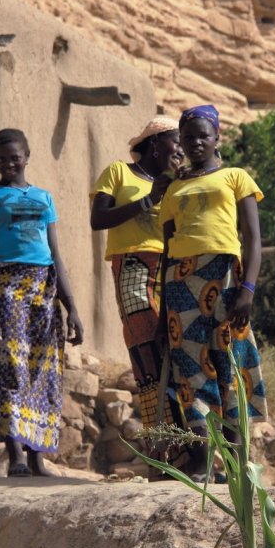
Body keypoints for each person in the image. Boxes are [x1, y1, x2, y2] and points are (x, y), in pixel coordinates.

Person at [159, 105, 268, 481]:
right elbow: (166, 246)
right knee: (190, 372)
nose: (196, 143)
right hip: (180, 282)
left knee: (230, 367)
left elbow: (253, 238)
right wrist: (163, 309)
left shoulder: (236, 176)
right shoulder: (175, 187)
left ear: (218, 136)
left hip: (224, 278)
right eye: (188, 138)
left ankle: (237, 468)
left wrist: (248, 288)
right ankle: (205, 466)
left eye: (203, 136)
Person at [0, 128, 84, 477]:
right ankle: (16, 454)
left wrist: (72, 308)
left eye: (15, 156)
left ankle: (37, 457)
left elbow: (55, 256)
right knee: (10, 367)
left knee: (42, 372)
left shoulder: (44, 198)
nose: (9, 163)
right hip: (7, 289)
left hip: (44, 292)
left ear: (27, 155)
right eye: (2, 158)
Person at [89, 116, 184, 432]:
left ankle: (188, 441)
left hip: (171, 268)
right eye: (176, 141)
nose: (180, 149)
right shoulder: (119, 172)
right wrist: (147, 200)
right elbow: (98, 219)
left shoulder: (175, 182)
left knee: (175, 347)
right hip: (133, 267)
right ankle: (166, 449)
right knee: (147, 347)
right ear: (155, 143)